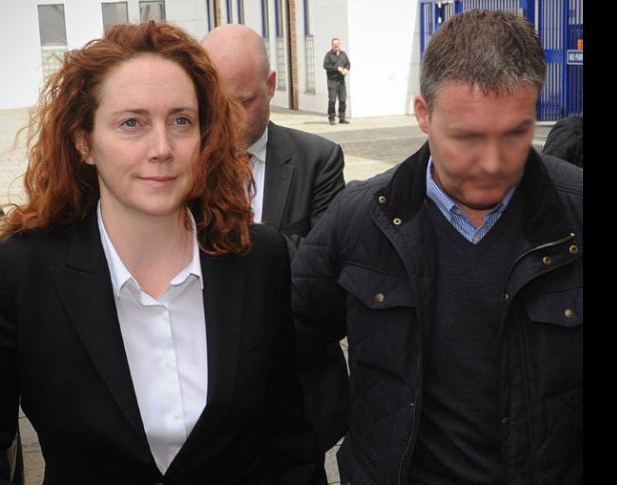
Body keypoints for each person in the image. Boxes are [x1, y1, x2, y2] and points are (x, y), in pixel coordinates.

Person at [0, 20, 322, 484]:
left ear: (204, 136)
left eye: (181, 121)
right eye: (131, 123)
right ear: (84, 142)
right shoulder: (18, 272)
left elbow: (288, 442)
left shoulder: (258, 259)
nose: (162, 148)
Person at [292, 9, 582, 485]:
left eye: (516, 134)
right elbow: (289, 338)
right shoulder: (359, 219)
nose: (492, 164)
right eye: (467, 138)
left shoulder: (576, 214)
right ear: (423, 114)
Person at [202, 23, 349, 479]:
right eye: (216, 103)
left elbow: (323, 274)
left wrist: (228, 239)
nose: (228, 119)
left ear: (270, 85)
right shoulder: (182, 161)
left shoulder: (318, 159)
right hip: (207, 406)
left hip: (299, 401)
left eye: (243, 102)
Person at [323, 37, 351, 125]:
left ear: (339, 45)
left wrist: (346, 69)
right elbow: (325, 66)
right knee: (332, 100)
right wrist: (337, 68)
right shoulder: (328, 55)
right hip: (332, 81)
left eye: (337, 44)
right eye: (334, 44)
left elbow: (348, 64)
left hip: (341, 81)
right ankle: (331, 118)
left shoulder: (343, 54)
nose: (336, 45)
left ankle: (342, 118)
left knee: (343, 100)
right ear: (332, 45)